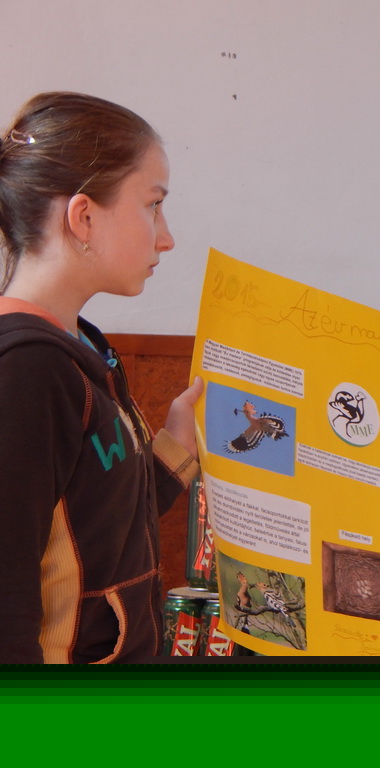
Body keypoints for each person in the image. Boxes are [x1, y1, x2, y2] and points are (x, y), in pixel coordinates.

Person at [0, 92, 203, 663]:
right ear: (84, 216)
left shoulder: (82, 344)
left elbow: (96, 529)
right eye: (153, 205)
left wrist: (176, 447)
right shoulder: (25, 369)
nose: (166, 237)